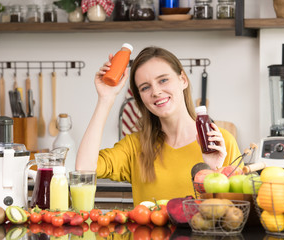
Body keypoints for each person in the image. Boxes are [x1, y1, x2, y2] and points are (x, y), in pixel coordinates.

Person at [76, 46, 241, 205]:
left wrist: (215, 171)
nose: (155, 92)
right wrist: (106, 98)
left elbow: (236, 215)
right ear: (140, 98)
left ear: (183, 80)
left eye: (163, 80)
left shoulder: (220, 142)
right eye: (145, 87)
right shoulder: (135, 146)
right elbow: (84, 168)